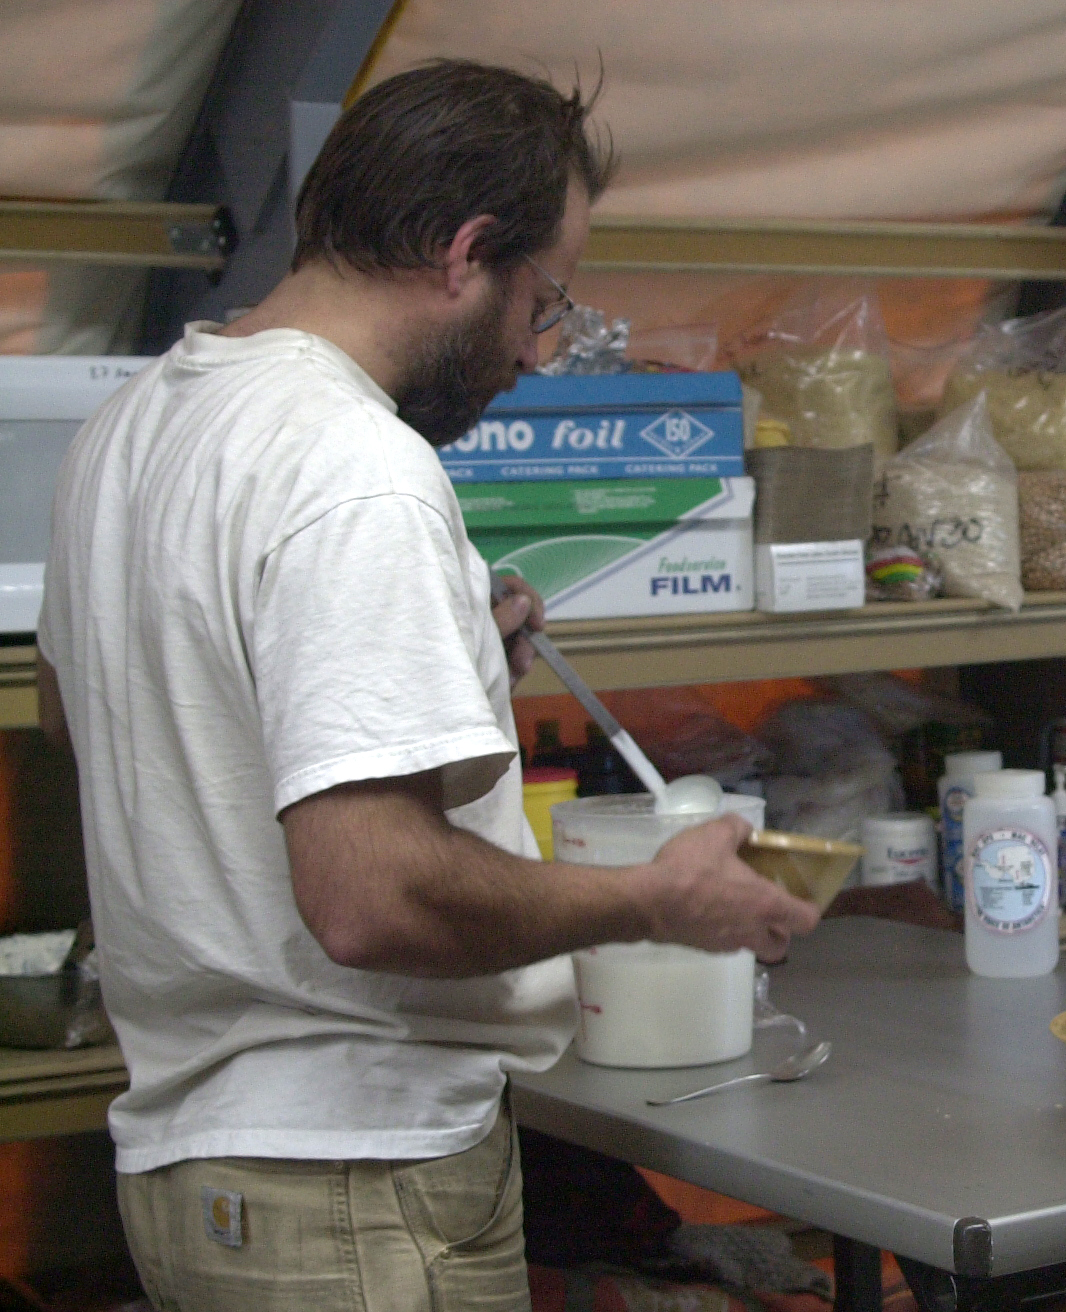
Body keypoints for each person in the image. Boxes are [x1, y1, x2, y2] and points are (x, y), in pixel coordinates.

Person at [36, 60, 819, 1311]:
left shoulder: (129, 432)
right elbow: (369, 900)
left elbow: (97, 717)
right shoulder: (356, 466)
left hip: (195, 1177)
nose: (533, 351)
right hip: (355, 1180)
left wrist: (440, 648)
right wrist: (650, 898)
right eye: (542, 298)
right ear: (462, 255)